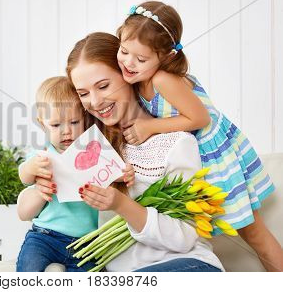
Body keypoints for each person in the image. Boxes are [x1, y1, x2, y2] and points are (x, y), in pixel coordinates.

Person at [115, 1, 282, 271]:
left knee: (252, 233)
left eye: (141, 59)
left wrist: (149, 128)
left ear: (166, 57)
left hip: (215, 156)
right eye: (124, 51)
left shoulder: (162, 80)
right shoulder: (137, 78)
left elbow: (199, 118)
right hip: (192, 156)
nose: (129, 63)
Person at [59, 31, 223, 271]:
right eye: (83, 93)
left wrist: (121, 204)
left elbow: (185, 236)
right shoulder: (91, 148)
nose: (94, 102)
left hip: (187, 267)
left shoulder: (176, 143)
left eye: (103, 86)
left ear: (128, 76)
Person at [16, 76, 134, 272]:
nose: (66, 132)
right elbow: (24, 175)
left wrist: (125, 174)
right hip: (45, 236)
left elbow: (116, 174)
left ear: (84, 118)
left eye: (73, 122)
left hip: (86, 242)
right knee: (29, 268)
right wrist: (32, 170)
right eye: (56, 125)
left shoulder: (95, 152)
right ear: (42, 123)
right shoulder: (44, 156)